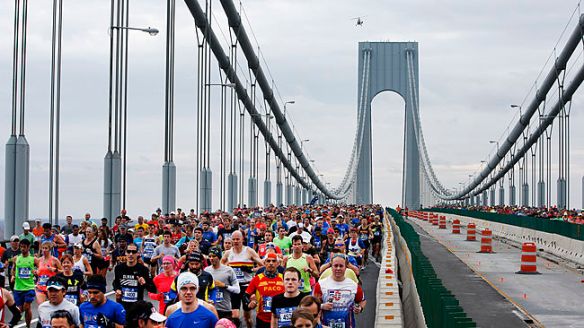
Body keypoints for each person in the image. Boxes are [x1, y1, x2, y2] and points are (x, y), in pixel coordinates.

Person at [221, 231, 263, 328]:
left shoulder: (249, 251)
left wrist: (251, 269)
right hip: (235, 287)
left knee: (246, 317)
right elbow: (221, 266)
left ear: (242, 239)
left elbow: (262, 265)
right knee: (235, 315)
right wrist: (227, 270)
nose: (235, 241)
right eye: (234, 239)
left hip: (246, 287)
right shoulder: (228, 253)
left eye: (237, 239)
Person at [313, 255, 366, 328]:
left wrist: (360, 308)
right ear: (331, 266)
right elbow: (312, 305)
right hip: (325, 324)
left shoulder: (354, 285)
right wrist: (322, 306)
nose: (338, 268)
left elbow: (362, 301)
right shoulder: (321, 284)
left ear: (345, 267)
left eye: (341, 266)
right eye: (335, 266)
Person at [113, 243, 156, 310]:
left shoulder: (143, 269)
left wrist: (144, 283)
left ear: (137, 254)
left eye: (133, 252)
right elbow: (115, 282)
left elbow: (153, 289)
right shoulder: (118, 268)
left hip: (137, 307)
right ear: (125, 253)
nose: (131, 254)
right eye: (128, 251)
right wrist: (117, 289)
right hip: (122, 305)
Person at [245, 253, 284, 328]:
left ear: (278, 263)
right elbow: (246, 295)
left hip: (280, 319)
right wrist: (249, 303)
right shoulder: (257, 278)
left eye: (273, 261)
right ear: (264, 263)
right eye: (268, 261)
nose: (271, 263)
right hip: (262, 320)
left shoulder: (284, 278)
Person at [204, 247, 239, 320]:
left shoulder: (228, 270)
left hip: (224, 309)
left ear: (219, 257)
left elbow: (237, 290)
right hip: (210, 308)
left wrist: (225, 286)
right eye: (209, 256)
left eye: (214, 256)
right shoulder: (206, 270)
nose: (211, 258)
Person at [12, 239, 38, 328]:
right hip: (18, 288)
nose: (22, 249)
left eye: (24, 247)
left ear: (28, 247)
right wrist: (13, 276)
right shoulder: (16, 258)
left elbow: (40, 269)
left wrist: (36, 272)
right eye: (21, 247)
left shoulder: (33, 259)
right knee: (20, 309)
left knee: (27, 307)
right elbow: (13, 269)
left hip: (29, 287)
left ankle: (28, 326)